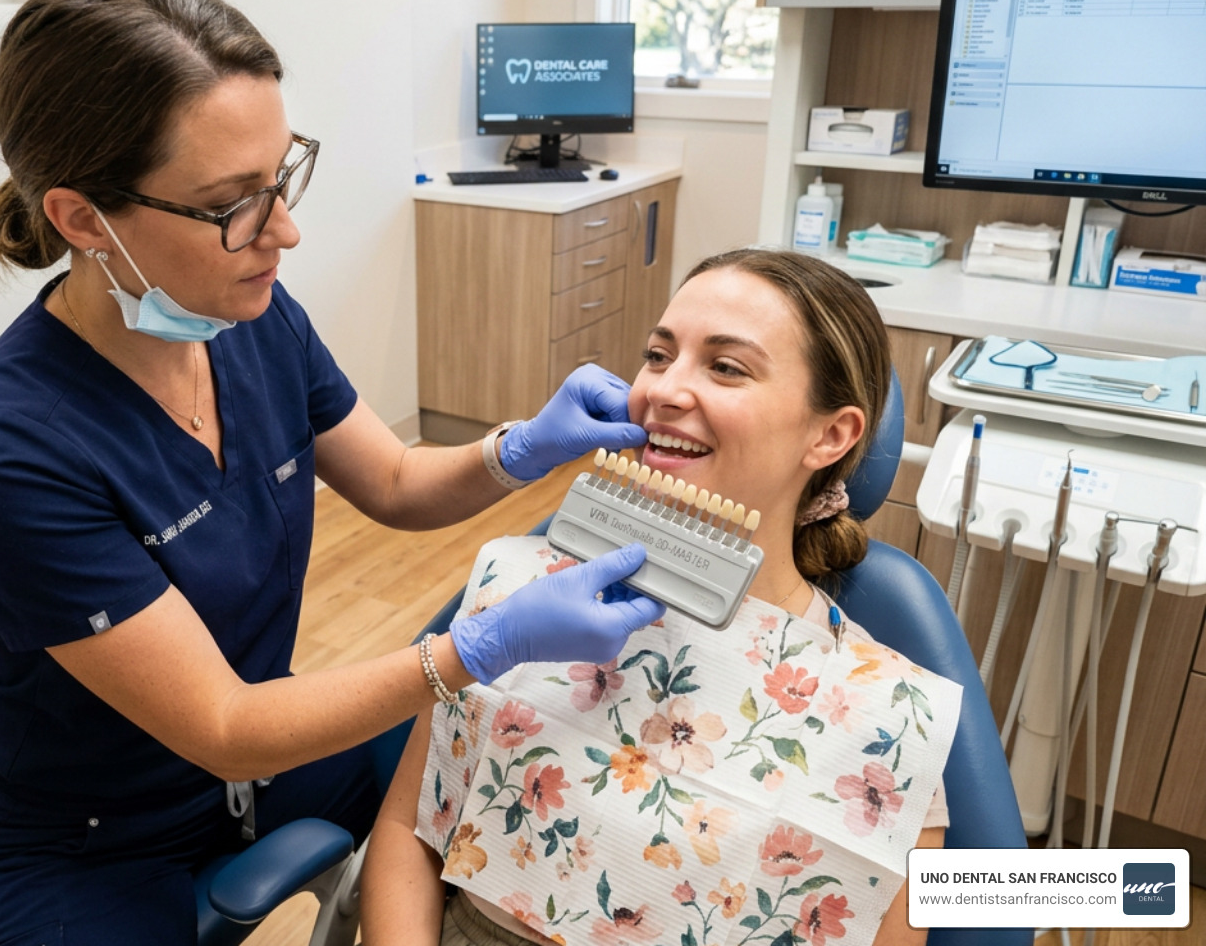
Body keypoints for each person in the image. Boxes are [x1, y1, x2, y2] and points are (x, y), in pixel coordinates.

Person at [0, 0, 666, 946]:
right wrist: (475, 648)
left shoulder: (250, 320)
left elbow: (394, 482)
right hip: (84, 837)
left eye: (280, 175)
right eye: (233, 202)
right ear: (82, 218)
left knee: (487, 796)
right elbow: (223, 725)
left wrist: (521, 448)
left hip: (254, 764)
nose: (285, 229)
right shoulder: (7, 445)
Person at [362, 248, 947, 946]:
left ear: (831, 435)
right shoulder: (522, 593)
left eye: (726, 367)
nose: (664, 390)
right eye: (658, 356)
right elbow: (408, 830)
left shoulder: (889, 719)